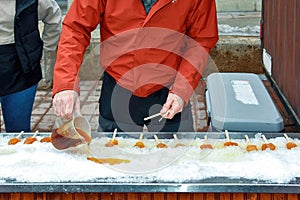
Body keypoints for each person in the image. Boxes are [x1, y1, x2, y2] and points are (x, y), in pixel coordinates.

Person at [52, 0, 219, 132]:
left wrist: (182, 90)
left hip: (169, 89)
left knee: (175, 161)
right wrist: (66, 84)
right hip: (118, 85)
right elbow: (76, 28)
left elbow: (201, 38)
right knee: (112, 158)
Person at [0, 0, 62, 132]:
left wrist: (46, 51)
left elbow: (54, 16)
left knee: (18, 131)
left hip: (21, 66)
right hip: (21, 61)